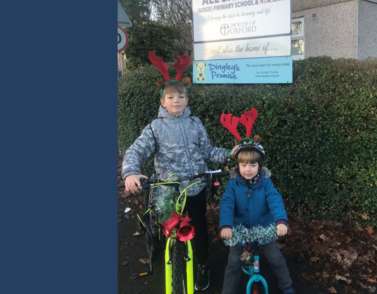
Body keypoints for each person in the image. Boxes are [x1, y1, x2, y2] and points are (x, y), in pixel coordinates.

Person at [122, 53, 237, 291]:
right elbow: (136, 151)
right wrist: (130, 173)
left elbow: (207, 151)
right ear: (163, 101)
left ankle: (203, 264)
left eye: (181, 96)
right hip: (167, 191)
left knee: (199, 230)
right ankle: (172, 259)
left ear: (186, 100)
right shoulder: (155, 127)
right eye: (171, 97)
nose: (176, 100)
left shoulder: (196, 124)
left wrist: (230, 154)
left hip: (194, 188)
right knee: (169, 230)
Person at [219, 139, 294, 294]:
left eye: (253, 165)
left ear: (259, 166)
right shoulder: (232, 185)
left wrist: (281, 222)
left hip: (263, 228)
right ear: (237, 166)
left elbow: (275, 201)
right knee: (233, 262)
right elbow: (227, 204)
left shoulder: (265, 183)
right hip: (239, 228)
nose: (248, 169)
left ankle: (286, 285)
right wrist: (226, 225)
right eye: (244, 165)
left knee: (276, 258)